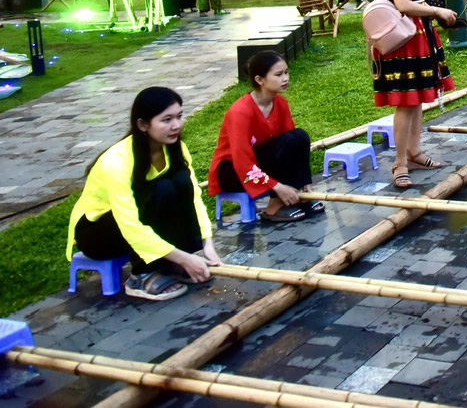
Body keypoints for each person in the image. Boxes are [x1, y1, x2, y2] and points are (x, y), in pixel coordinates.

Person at [68, 87, 220, 302]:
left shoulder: (176, 149)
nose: (176, 125)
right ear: (142, 125)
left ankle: (170, 263)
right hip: (98, 234)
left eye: (179, 116)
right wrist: (185, 258)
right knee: (159, 191)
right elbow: (128, 223)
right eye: (166, 119)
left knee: (177, 183)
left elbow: (194, 198)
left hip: (132, 223)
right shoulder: (117, 162)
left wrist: (207, 245)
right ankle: (141, 276)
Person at [373, 0, 458, 188]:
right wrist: (437, 11)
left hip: (417, 34)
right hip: (404, 39)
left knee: (418, 99)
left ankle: (414, 152)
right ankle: (400, 163)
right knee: (406, 101)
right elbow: (404, 4)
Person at [208, 52, 318, 223]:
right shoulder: (240, 112)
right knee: (286, 143)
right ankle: (274, 206)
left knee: (298, 137)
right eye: (279, 74)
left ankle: (300, 195)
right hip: (233, 171)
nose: (286, 78)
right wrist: (278, 187)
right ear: (260, 80)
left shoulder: (281, 104)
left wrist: (305, 184)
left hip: (263, 163)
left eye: (287, 72)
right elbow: (242, 162)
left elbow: (292, 147)